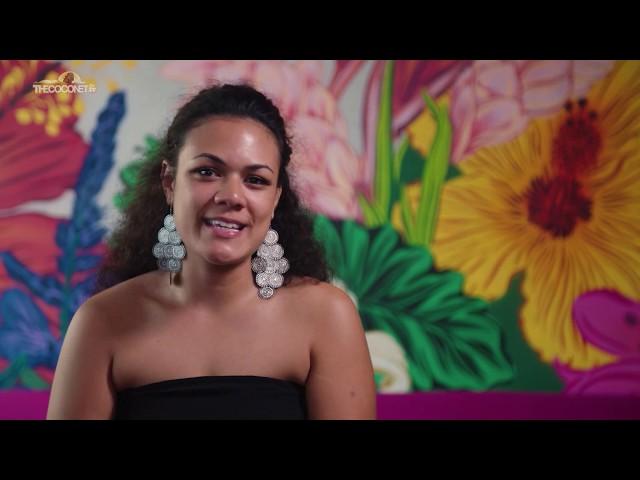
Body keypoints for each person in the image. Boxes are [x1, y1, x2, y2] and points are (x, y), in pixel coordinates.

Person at [46, 83, 377, 419]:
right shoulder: (101, 321)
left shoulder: (326, 317)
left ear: (276, 197)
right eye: (207, 172)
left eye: (256, 180)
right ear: (170, 182)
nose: (231, 196)